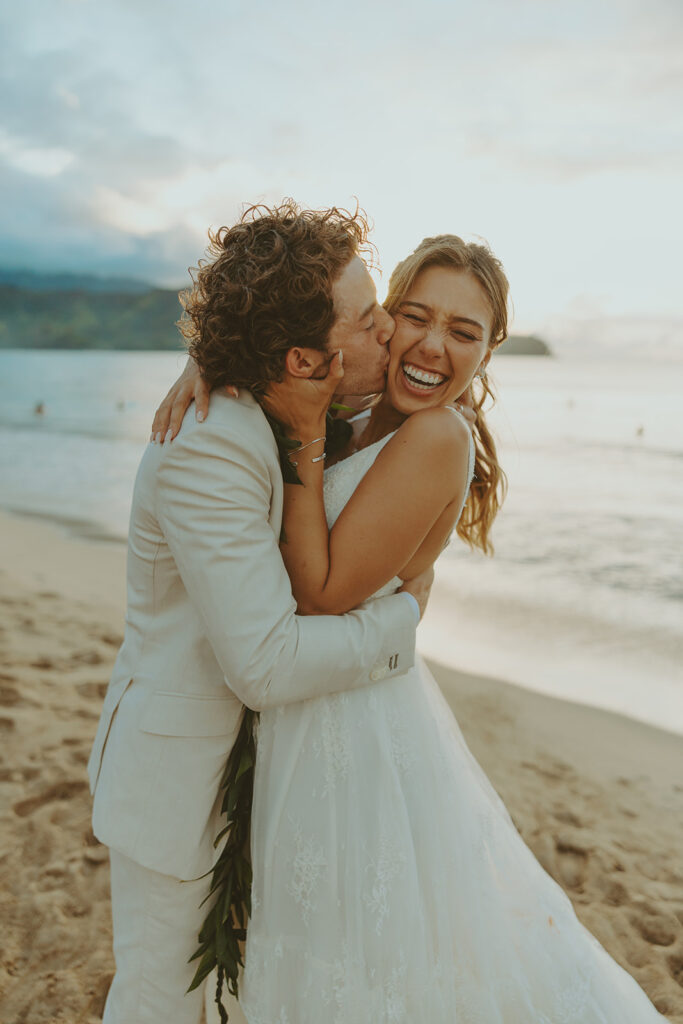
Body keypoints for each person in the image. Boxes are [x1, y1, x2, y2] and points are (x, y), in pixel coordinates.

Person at [159, 234, 667, 1022]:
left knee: (356, 951)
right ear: (382, 321)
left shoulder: (436, 437)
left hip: (351, 727)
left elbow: (323, 593)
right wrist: (210, 363)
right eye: (415, 316)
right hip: (307, 700)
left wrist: (299, 434)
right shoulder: (356, 409)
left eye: (463, 333)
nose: (433, 345)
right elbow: (281, 356)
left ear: (489, 352)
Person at [87, 201, 434, 1024]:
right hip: (178, 789)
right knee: (160, 1003)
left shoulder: (305, 411)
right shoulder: (211, 445)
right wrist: (400, 625)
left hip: (266, 784)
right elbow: (266, 663)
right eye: (369, 317)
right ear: (303, 359)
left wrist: (200, 356)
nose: (389, 330)